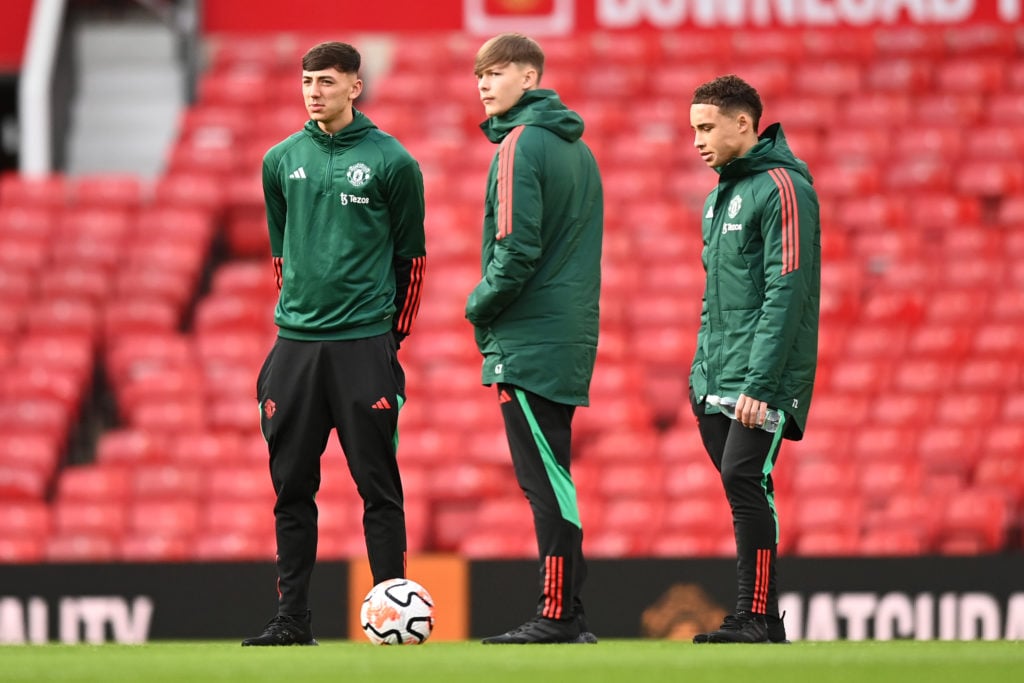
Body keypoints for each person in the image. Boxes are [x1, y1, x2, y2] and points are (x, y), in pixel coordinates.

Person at [242, 41, 426, 647]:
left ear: (355, 85)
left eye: (326, 81)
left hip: (363, 349)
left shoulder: (392, 161)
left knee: (378, 486)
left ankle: (394, 613)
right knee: (291, 489)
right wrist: (298, 321)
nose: (314, 91)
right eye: (307, 81)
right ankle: (292, 620)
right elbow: (280, 255)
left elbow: (412, 264)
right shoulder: (279, 160)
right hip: (294, 349)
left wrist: (384, 342)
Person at [465, 33, 603, 645]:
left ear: (529, 77)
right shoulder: (579, 150)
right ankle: (566, 612)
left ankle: (557, 615)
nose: (485, 85)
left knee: (544, 480)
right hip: (567, 336)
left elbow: (515, 250)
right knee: (555, 474)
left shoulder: (521, 146)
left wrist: (477, 307)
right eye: (479, 76)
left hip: (530, 340)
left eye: (496, 73)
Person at [687, 74, 820, 644]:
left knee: (746, 476)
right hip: (716, 377)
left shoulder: (783, 188)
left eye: (706, 127)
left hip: (761, 380)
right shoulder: (721, 194)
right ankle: (756, 615)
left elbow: (786, 292)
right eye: (693, 129)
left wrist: (760, 383)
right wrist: (699, 376)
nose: (696, 140)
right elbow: (714, 296)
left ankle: (759, 616)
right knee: (743, 487)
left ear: (744, 123)